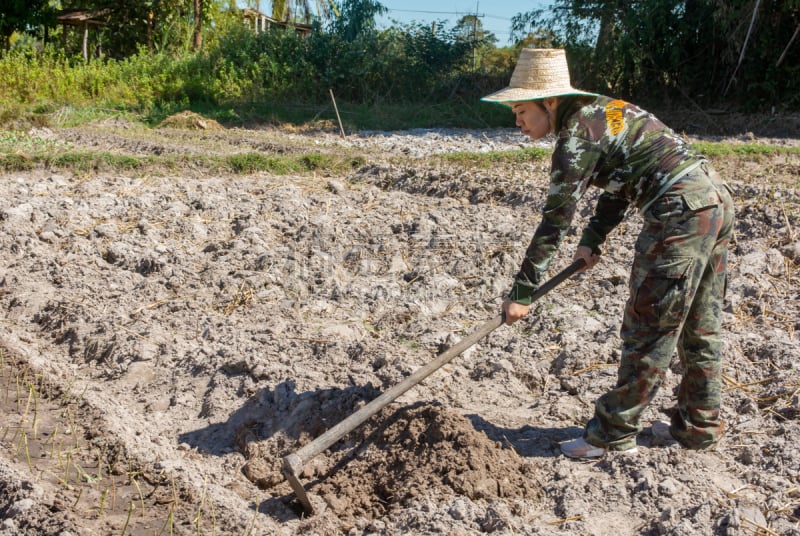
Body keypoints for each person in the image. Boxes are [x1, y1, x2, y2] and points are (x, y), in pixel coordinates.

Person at [481, 48, 735, 458]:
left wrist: (523, 292)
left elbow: (554, 221)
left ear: (550, 102)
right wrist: (594, 238)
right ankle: (698, 428)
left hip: (680, 215)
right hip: (713, 200)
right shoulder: (605, 111)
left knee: (648, 324)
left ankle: (612, 434)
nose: (517, 121)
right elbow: (623, 178)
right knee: (699, 324)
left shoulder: (576, 138)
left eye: (521, 110)